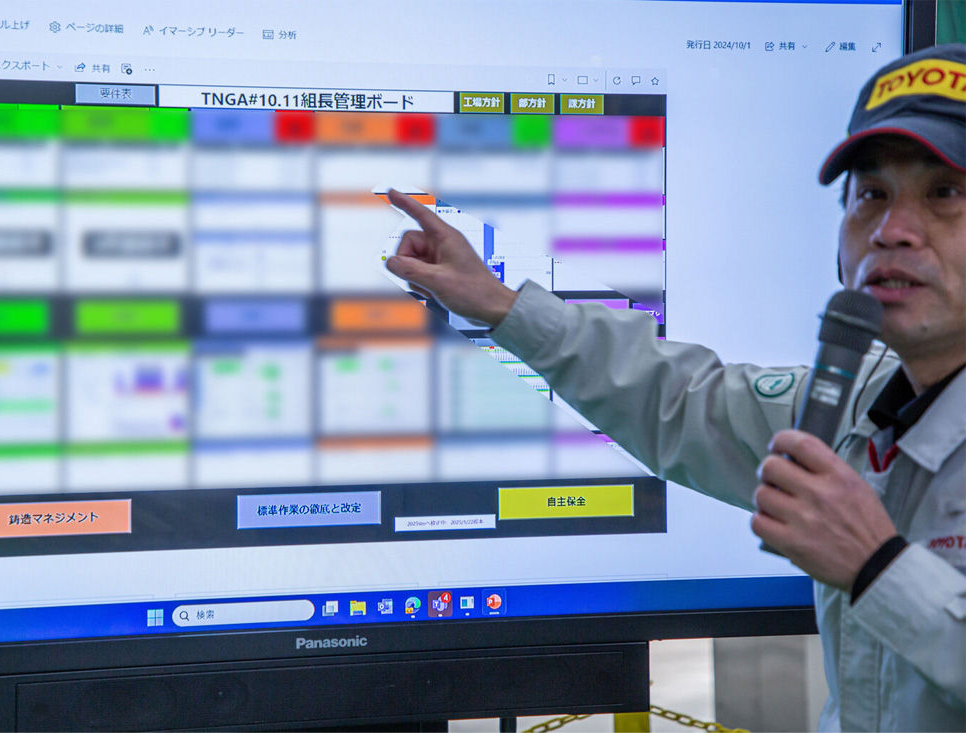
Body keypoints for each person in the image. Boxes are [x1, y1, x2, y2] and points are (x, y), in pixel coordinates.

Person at [385, 44, 965, 732]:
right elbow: (676, 399)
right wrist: (502, 306)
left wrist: (878, 568)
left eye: (945, 193)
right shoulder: (855, 408)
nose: (893, 231)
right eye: (871, 195)